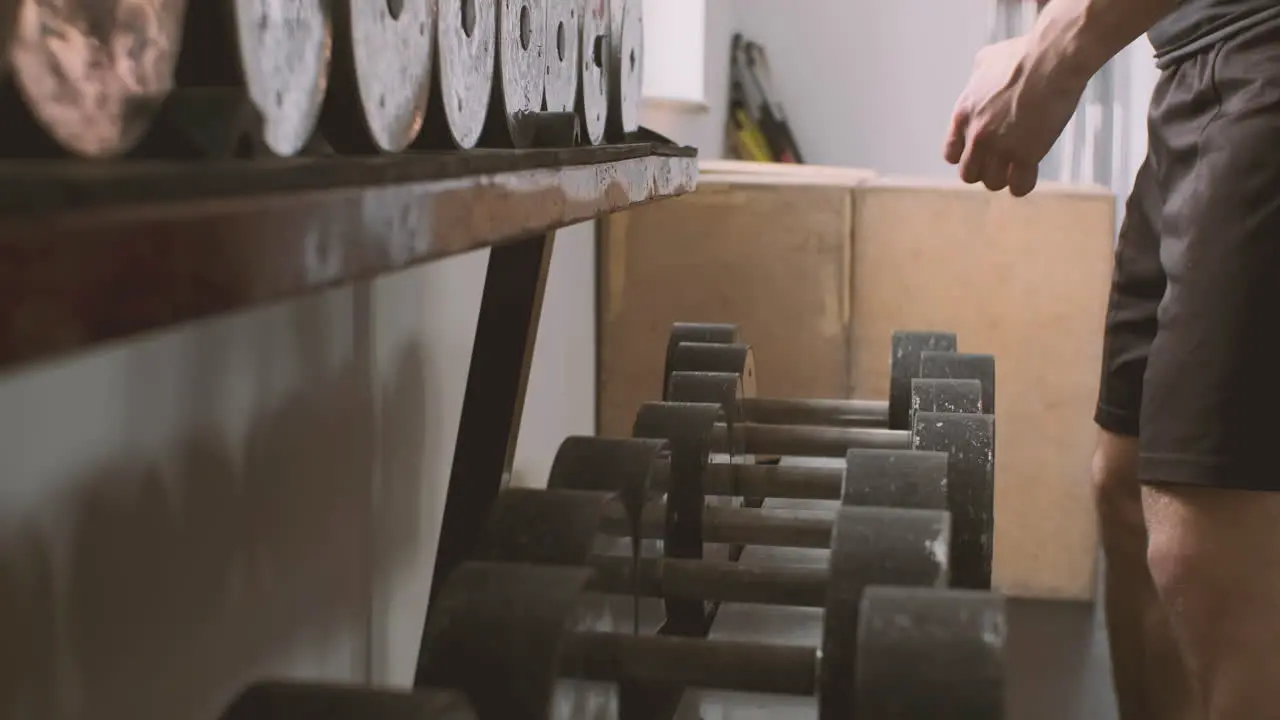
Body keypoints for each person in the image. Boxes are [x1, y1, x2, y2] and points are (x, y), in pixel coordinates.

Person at [945, 1, 1280, 718]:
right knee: (1124, 487)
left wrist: (1060, 47)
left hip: (1263, 49)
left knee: (1205, 539)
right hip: (1190, 63)